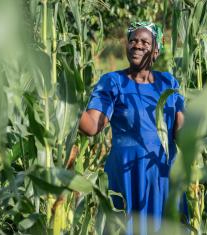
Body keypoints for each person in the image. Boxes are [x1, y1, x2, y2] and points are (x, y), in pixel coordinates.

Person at [78, 22, 185, 235]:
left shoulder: (167, 83)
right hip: (125, 175)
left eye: (144, 42)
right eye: (133, 41)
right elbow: (91, 126)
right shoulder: (113, 82)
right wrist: (67, 103)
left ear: (155, 51)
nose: (136, 45)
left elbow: (181, 134)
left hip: (162, 176)